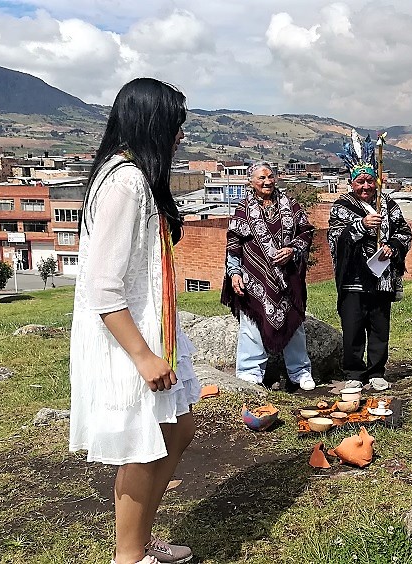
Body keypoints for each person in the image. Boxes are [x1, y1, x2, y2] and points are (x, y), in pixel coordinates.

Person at [68, 78, 199, 564]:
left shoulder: (135, 176)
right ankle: (129, 556)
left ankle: (139, 540)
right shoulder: (126, 182)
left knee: (177, 430)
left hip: (150, 325)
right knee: (143, 446)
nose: (180, 134)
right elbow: (101, 284)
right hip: (127, 335)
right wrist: (142, 355)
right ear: (152, 121)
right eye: (175, 124)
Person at [328, 131, 412, 392]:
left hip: (382, 277)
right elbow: (334, 237)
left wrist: (392, 247)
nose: (365, 187)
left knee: (379, 326)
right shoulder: (342, 205)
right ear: (351, 184)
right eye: (359, 182)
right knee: (352, 326)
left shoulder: (387, 203)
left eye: (369, 181)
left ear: (376, 181)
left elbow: (404, 232)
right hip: (354, 278)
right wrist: (360, 226)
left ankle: (376, 370)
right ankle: (354, 372)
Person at [221, 162, 316, 391]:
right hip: (256, 278)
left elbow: (306, 231)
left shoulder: (290, 205)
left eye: (270, 177)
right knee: (252, 325)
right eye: (261, 178)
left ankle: (299, 371)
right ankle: (250, 371)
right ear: (251, 182)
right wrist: (234, 273)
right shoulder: (243, 210)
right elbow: (233, 244)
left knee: (294, 324)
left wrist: (292, 249)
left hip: (288, 279)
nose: (267, 182)